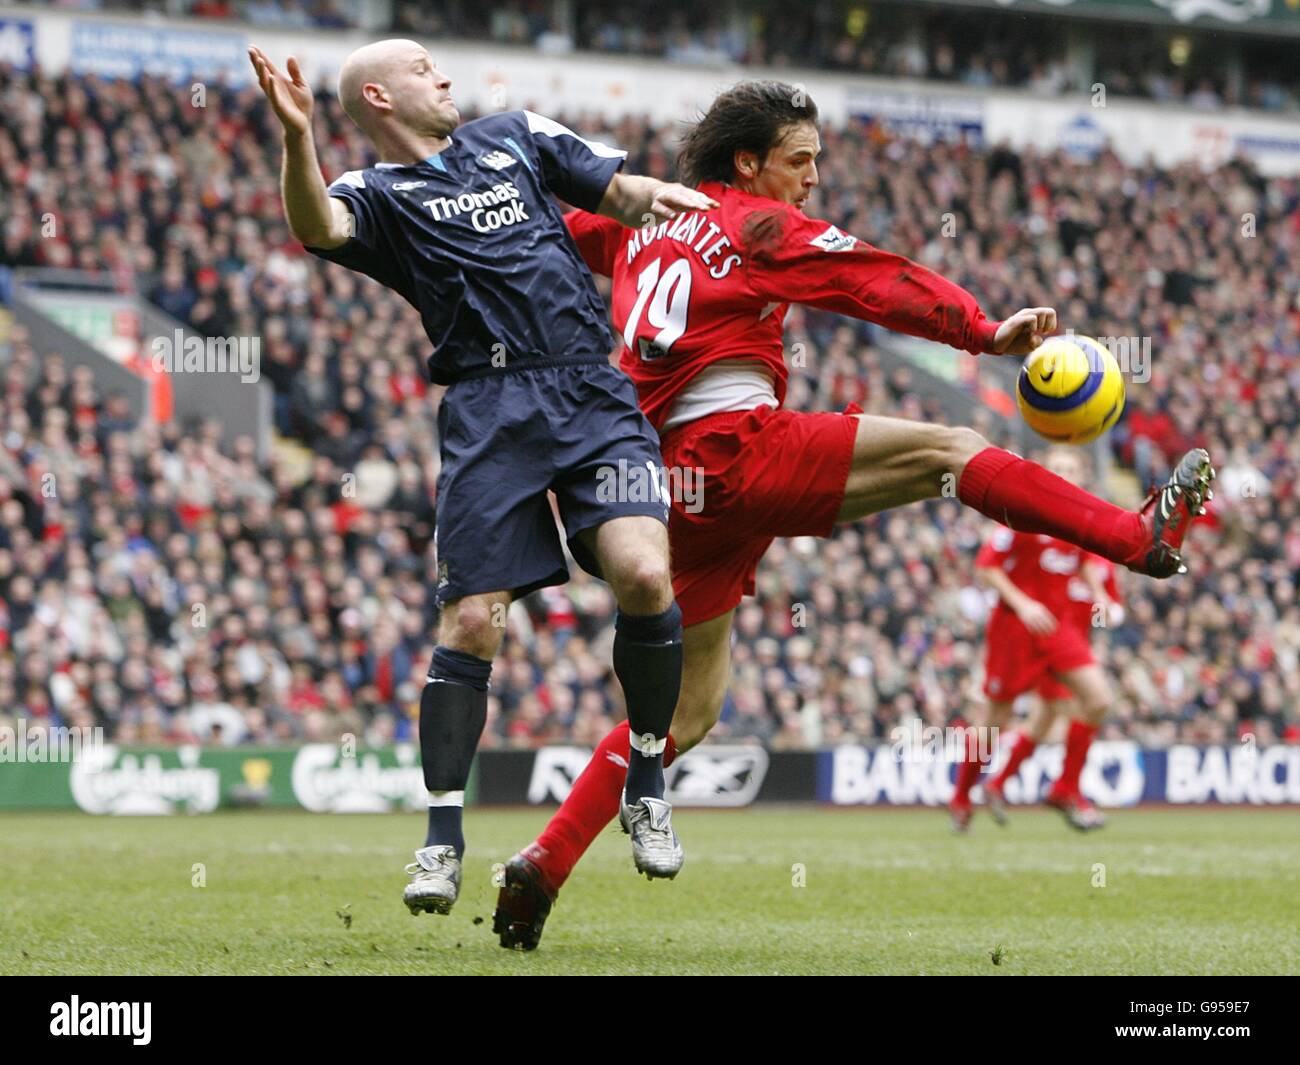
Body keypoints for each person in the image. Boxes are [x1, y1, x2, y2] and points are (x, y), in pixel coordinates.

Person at [492, 80, 1214, 950]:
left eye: (819, 163)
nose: (812, 181)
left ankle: (544, 862)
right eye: (800, 161)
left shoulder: (643, 216)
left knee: (686, 714)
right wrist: (983, 331)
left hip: (657, 489)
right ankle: (1134, 536)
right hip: (733, 451)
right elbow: (872, 279)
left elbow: (537, 241)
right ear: (748, 161)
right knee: (949, 450)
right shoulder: (756, 224)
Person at [248, 39, 720, 916]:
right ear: (380, 96)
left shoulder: (515, 134)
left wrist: (679, 203)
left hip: (590, 389)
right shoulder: (378, 195)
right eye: (426, 69)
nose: (447, 78)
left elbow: (619, 193)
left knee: (648, 573)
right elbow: (317, 228)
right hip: (487, 413)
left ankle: (647, 775)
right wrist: (297, 137)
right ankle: (441, 837)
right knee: (472, 622)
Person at [950, 447, 1125, 833]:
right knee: (996, 720)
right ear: (1045, 474)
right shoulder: (1022, 514)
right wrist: (1024, 604)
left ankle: (1064, 788)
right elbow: (986, 568)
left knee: (1099, 700)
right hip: (1016, 626)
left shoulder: (1081, 522)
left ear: (1081, 478)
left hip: (1059, 628)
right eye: (1056, 469)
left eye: (1070, 470)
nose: (1063, 475)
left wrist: (1100, 593)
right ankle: (963, 796)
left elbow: (1089, 563)